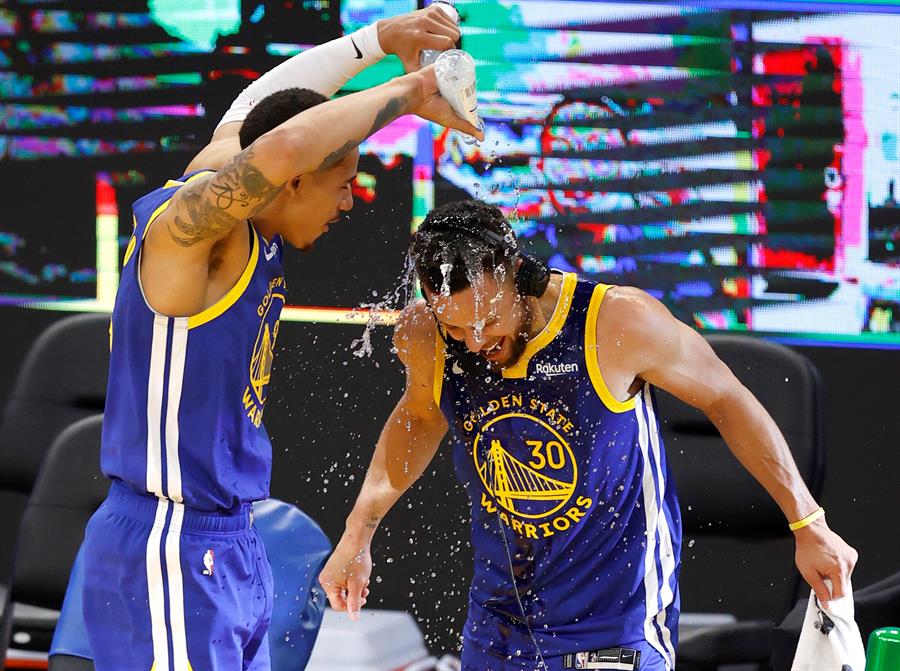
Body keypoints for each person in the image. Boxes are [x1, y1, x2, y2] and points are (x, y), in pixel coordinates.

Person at [79, 7, 481, 670]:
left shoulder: (243, 205)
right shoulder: (192, 234)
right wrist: (412, 90)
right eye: (341, 184)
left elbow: (250, 113)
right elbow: (284, 143)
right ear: (289, 181)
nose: (348, 202)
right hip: (168, 539)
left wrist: (378, 41)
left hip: (227, 536)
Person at [318, 200, 858, 671]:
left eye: (487, 320)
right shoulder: (424, 335)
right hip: (498, 620)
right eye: (456, 327)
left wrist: (808, 523)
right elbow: (418, 419)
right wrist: (357, 534)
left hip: (615, 621)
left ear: (517, 274)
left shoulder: (616, 322)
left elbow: (727, 399)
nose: (475, 341)